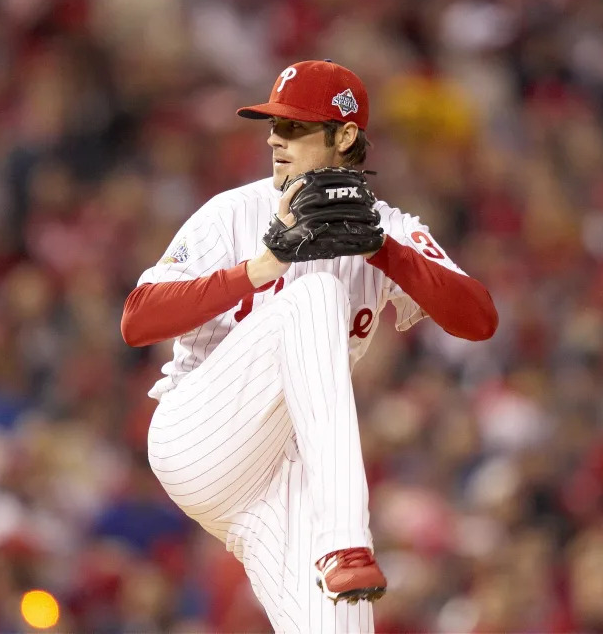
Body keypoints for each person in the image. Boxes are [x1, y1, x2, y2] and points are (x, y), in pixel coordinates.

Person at [120, 59, 498, 632]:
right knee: (315, 293)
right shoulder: (235, 212)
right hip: (201, 435)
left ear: (345, 135)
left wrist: (384, 252)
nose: (275, 137)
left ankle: (342, 551)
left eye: (295, 126)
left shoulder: (388, 228)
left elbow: (478, 318)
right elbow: (137, 321)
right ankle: (348, 543)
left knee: (345, 625)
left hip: (286, 482)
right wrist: (260, 267)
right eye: (274, 125)